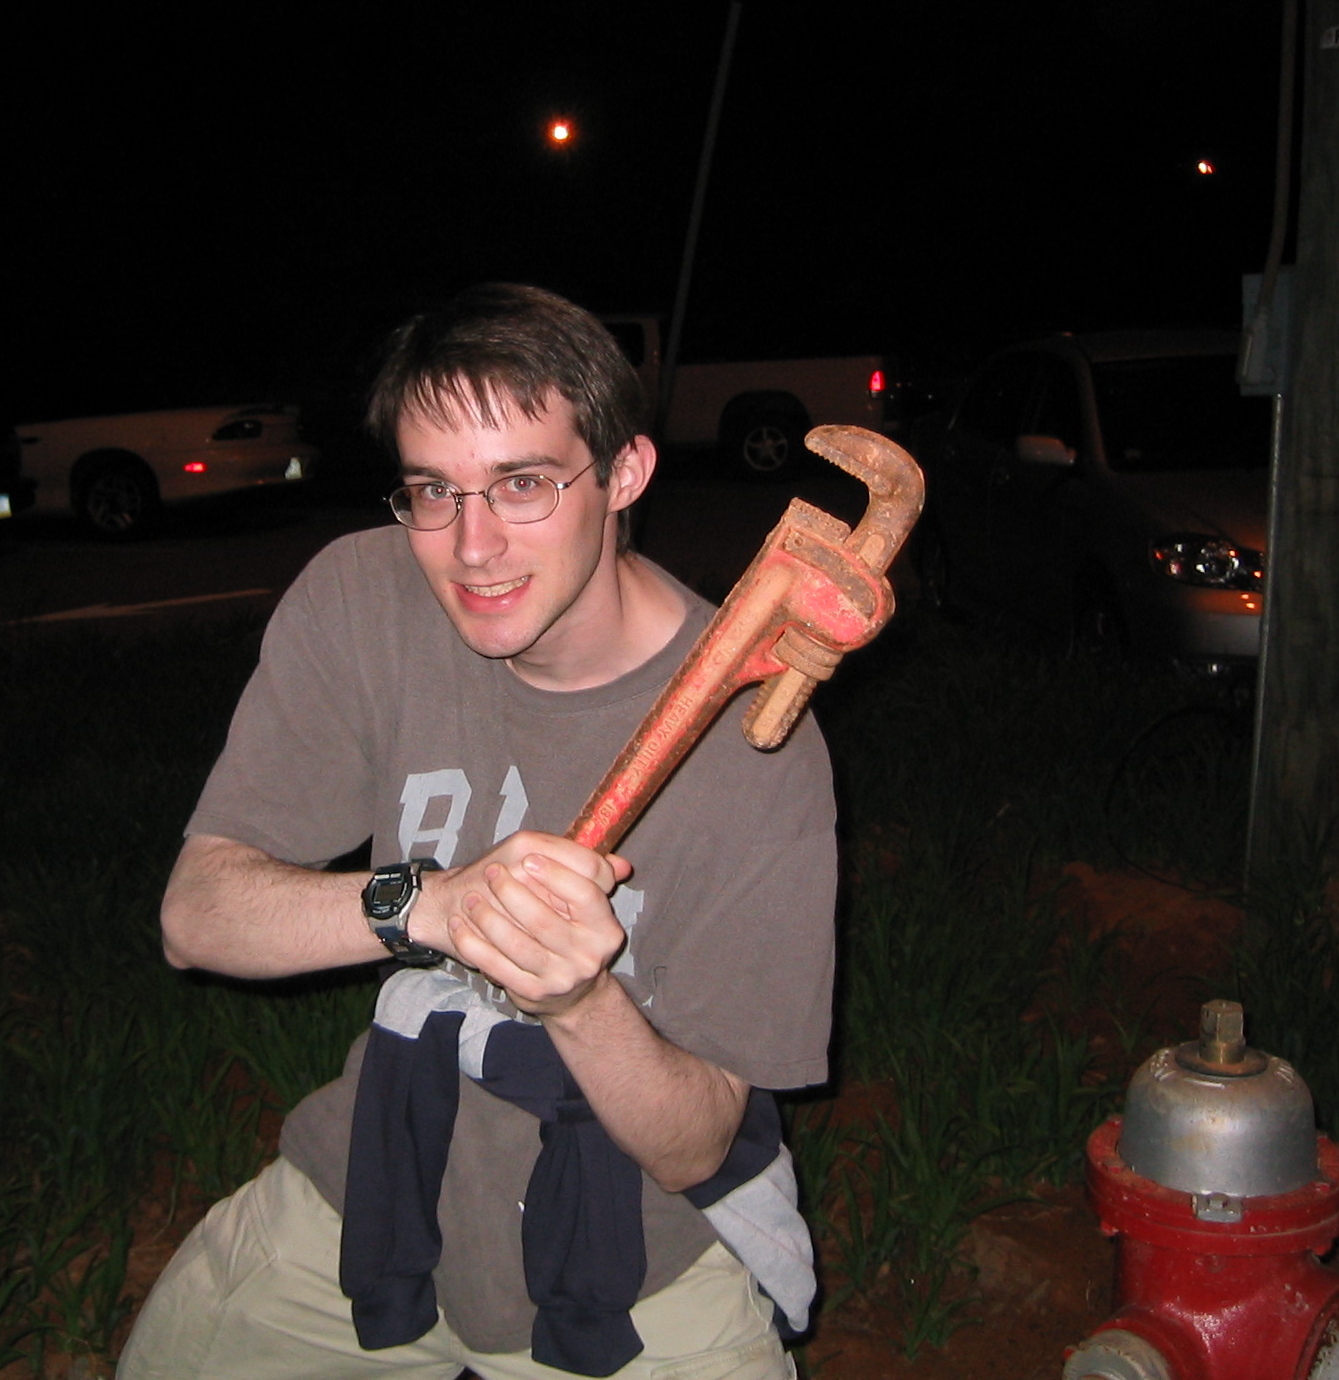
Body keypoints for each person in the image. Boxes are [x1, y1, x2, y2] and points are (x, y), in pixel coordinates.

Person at [115, 284, 838, 1380]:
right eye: (432, 491)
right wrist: (430, 904)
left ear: (625, 473)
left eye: (524, 483)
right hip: (377, 1173)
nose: (472, 546)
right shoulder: (363, 599)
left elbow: (697, 1143)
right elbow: (196, 917)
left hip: (636, 1248)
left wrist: (580, 1002)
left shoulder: (758, 741)